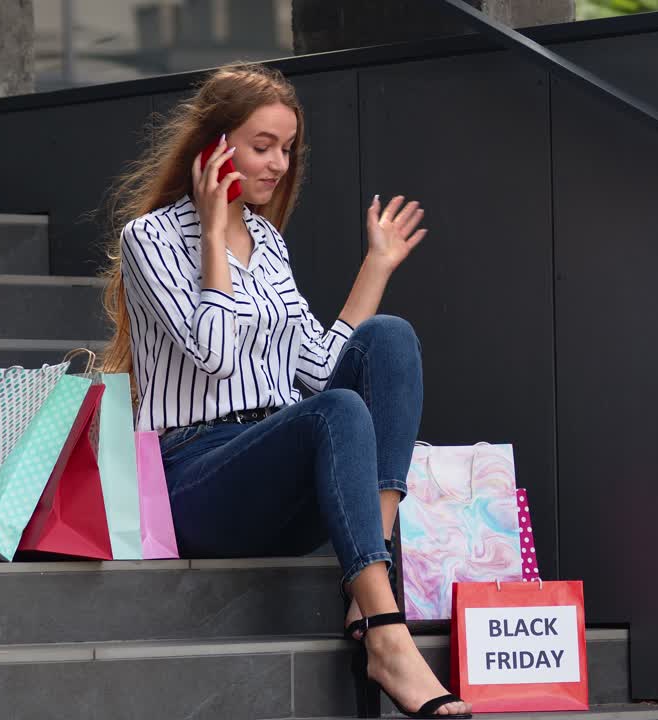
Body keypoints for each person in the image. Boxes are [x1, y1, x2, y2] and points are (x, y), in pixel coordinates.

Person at [98, 63, 470, 718]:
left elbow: (320, 368)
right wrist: (213, 234)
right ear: (215, 149)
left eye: (288, 148)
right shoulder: (148, 239)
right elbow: (214, 356)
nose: (279, 164)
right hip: (193, 476)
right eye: (263, 146)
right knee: (335, 411)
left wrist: (376, 265)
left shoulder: (268, 241)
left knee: (388, 338)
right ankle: (386, 635)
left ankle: (370, 577)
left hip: (275, 465)